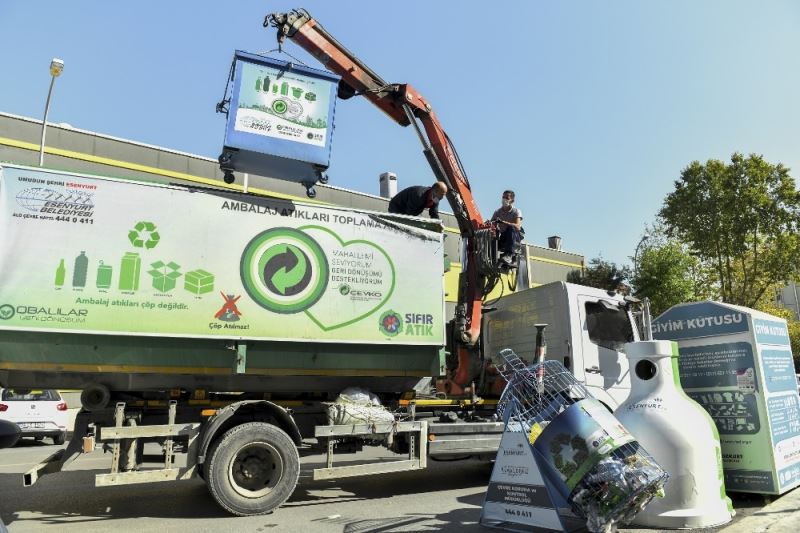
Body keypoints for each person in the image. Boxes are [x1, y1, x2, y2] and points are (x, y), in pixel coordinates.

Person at [492, 190, 523, 264]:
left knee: (511, 228)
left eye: (507, 198)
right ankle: (490, 256)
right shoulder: (497, 212)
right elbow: (492, 224)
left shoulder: (516, 211)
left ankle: (509, 255)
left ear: (512, 201)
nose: (504, 199)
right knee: (491, 235)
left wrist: (503, 222)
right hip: (503, 237)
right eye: (503, 197)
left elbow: (517, 226)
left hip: (514, 237)